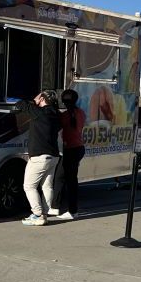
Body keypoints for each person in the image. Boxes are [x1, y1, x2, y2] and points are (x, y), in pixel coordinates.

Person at [15, 90, 61, 226]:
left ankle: (37, 214)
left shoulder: (39, 112)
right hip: (53, 156)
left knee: (29, 186)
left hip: (39, 156)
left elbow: (20, 104)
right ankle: (45, 214)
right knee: (47, 186)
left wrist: (34, 101)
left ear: (41, 99)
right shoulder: (56, 114)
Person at [49, 89, 86, 221]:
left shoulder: (64, 116)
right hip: (79, 148)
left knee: (64, 179)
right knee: (66, 178)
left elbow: (57, 122)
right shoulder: (80, 113)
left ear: (63, 101)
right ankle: (56, 208)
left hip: (71, 150)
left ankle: (70, 210)